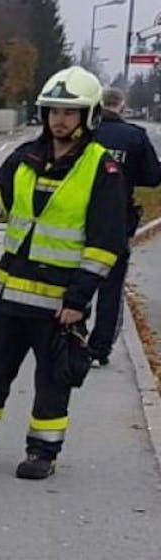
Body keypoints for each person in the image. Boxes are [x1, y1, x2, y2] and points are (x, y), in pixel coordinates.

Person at [0, 66, 128, 480]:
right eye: (54, 111)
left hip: (59, 304)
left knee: (52, 382)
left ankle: (43, 452)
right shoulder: (25, 157)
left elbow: (105, 244)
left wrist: (78, 301)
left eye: (70, 112)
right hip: (8, 296)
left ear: (88, 116)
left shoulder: (101, 169)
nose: (60, 119)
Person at [89, 86, 161, 366]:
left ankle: (72, 337)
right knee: (111, 286)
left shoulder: (88, 132)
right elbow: (153, 177)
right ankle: (99, 348)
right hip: (117, 221)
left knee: (75, 280)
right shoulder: (134, 137)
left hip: (80, 217)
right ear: (121, 104)